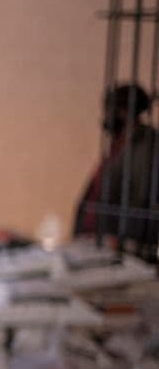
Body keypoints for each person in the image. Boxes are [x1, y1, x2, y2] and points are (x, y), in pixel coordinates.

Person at [74, 83, 158, 261]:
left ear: (123, 111)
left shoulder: (146, 147)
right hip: (99, 243)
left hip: (124, 249)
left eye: (109, 109)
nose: (105, 117)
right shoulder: (121, 144)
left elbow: (141, 199)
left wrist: (123, 240)